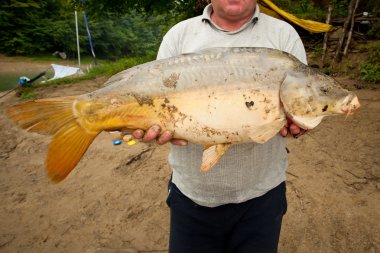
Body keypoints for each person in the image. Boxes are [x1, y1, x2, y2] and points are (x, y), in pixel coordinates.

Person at [133, 0, 307, 252]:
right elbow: (154, 100)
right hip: (192, 195)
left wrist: (300, 123)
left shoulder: (284, 35)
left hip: (263, 195)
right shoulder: (179, 35)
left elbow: (303, 98)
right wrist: (153, 127)